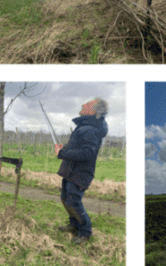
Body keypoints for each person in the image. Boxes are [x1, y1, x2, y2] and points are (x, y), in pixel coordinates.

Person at [54, 98, 109, 245]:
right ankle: (74, 225)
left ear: (93, 111)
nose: (83, 105)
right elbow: (77, 147)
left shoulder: (92, 130)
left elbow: (87, 153)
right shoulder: (86, 126)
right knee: (65, 199)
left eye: (87, 104)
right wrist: (64, 148)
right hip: (71, 170)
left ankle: (85, 232)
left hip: (80, 173)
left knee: (73, 202)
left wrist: (62, 154)